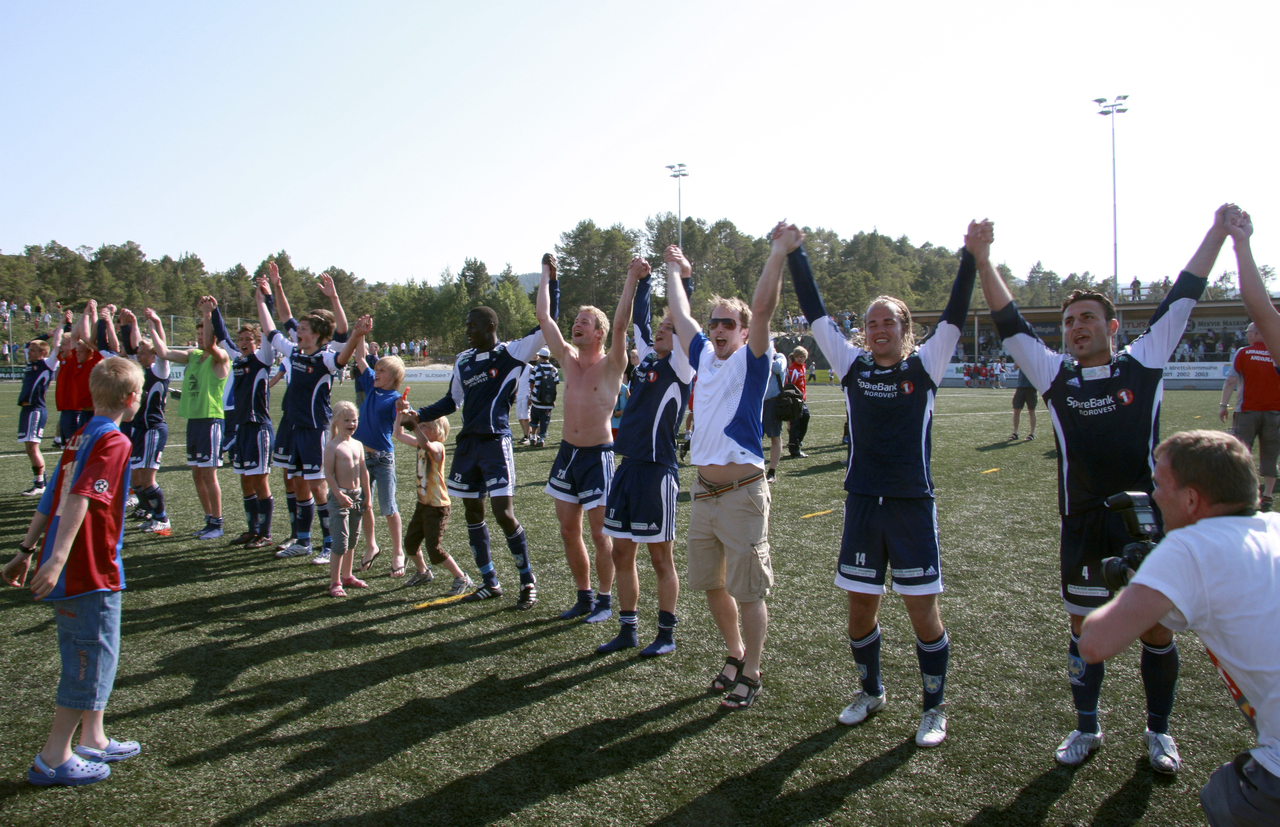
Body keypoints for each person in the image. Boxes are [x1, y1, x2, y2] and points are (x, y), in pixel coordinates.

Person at [979, 204, 1236, 771]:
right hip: (1082, 521)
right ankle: (1087, 728)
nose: (1077, 328)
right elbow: (1009, 322)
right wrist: (982, 259)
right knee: (1083, 627)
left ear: (1111, 327)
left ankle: (1159, 732)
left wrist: (1216, 233)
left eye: (1088, 318)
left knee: (1155, 631)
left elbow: (1184, 296)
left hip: (1144, 520)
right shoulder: (1054, 374)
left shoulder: (1143, 363)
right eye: (1070, 322)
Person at [789, 220, 979, 747]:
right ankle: (870, 691)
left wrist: (969, 255)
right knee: (858, 610)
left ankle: (934, 706)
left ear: (905, 330)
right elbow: (817, 313)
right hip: (862, 505)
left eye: (888, 322)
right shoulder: (852, 367)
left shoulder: (927, 366)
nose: (877, 329)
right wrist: (796, 253)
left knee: (922, 610)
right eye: (871, 322)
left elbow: (956, 313)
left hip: (911, 505)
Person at [1079, 430, 1280, 826]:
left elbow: (1093, 643)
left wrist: (1131, 580)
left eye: (1159, 484)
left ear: (1191, 499)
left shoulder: (1189, 547)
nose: (1153, 496)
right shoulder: (1273, 525)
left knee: (1225, 796)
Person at [666, 222, 786, 710]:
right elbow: (679, 312)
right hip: (704, 494)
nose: (717, 329)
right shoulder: (704, 357)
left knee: (748, 591)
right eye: (713, 323)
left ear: (744, 332)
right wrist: (675, 269)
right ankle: (735, 655)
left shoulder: (753, 359)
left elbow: (762, 308)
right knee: (712, 585)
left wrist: (776, 253)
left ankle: (752, 673)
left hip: (741, 492)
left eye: (726, 324)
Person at [7, 357, 143, 786]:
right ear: (132, 398)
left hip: (76, 567)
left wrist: (27, 549)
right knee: (90, 661)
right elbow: (80, 496)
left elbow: (51, 494)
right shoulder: (115, 441)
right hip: (90, 570)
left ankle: (94, 737)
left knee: (93, 654)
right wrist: (57, 558)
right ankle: (53, 758)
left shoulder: (81, 434)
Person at [407, 253, 559, 609]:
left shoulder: (513, 354)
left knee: (504, 512)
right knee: (472, 514)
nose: (467, 331)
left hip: (496, 443)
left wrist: (551, 278)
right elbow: (451, 402)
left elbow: (545, 321)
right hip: (468, 446)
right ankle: (490, 581)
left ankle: (527, 582)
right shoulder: (462, 361)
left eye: (471, 325)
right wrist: (417, 415)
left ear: (490, 327)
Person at [536, 256, 636, 623]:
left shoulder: (613, 363)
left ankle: (606, 599)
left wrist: (630, 277)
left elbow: (623, 323)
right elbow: (545, 318)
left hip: (598, 457)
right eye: (576, 320)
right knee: (567, 530)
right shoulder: (566, 357)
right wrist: (547, 276)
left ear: (599, 333)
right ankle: (583, 595)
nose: (577, 324)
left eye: (585, 322)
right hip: (567, 455)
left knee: (599, 534)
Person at [259, 278, 364, 559]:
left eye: (303, 330)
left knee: (319, 486)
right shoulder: (293, 351)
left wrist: (354, 331)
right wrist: (264, 298)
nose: (297, 332)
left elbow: (344, 343)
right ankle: (303, 541)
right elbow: (273, 326)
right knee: (298, 483)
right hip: (292, 427)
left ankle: (330, 544)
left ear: (318, 335)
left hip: (314, 428)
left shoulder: (326, 359)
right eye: (298, 330)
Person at [152, 298, 230, 539]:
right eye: (197, 334)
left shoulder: (221, 357)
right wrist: (154, 324)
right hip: (194, 420)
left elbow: (208, 344)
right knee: (197, 473)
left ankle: (217, 522)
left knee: (208, 473)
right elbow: (163, 352)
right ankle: (208, 520)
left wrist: (208, 314)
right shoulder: (193, 355)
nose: (199, 338)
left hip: (210, 420)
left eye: (203, 332)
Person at [346, 317, 407, 576]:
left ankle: (398, 552)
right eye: (377, 369)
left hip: (382, 459)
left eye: (381, 370)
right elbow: (360, 359)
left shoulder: (394, 398)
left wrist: (404, 412)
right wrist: (360, 333)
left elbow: (400, 426)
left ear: (393, 377)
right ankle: (372, 546)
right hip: (361, 458)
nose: (376, 372)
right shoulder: (371, 386)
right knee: (364, 506)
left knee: (389, 508)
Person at [393, 411, 473, 592]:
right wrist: (399, 415)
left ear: (437, 430)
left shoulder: (437, 447)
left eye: (423, 426)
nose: (418, 428)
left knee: (434, 548)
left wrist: (414, 426)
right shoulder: (422, 445)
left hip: (437, 507)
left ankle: (461, 577)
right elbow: (398, 434)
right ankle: (423, 572)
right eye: (419, 426)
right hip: (423, 504)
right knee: (410, 543)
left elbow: (428, 445)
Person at [1220, 323, 1280, 512]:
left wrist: (1223, 405)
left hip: (1247, 412)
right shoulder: (1277, 352)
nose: (1247, 336)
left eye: (1248, 333)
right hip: (1274, 413)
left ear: (1255, 334)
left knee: (1242, 454)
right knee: (1270, 455)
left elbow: (1231, 381)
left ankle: (1244, 495)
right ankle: (1268, 496)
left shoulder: (1244, 353)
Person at [128, 311, 172, 535]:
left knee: (146, 478)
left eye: (143, 353)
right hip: (139, 430)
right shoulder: (141, 373)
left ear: (153, 356)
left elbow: (161, 348)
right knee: (136, 478)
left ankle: (162, 519)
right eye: (138, 353)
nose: (139, 356)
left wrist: (156, 323)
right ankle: (150, 513)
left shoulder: (160, 370)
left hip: (153, 429)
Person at [322, 401, 372, 597]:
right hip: (339, 498)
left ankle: (347, 575)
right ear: (336, 421)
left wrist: (366, 495)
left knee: (352, 539)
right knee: (340, 542)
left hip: (356, 496)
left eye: (354, 420)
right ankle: (335, 581)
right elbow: (329, 474)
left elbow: (364, 472)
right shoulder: (332, 446)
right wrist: (338, 495)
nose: (352, 424)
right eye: (347, 420)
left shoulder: (358, 445)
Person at [17, 337, 58, 497]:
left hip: (35, 410)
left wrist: (64, 326)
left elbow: (55, 348)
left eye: (33, 350)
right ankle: (40, 482)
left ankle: (40, 484)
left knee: (33, 448)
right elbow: (28, 344)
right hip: (26, 410)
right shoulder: (30, 365)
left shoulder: (46, 364)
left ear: (42, 352)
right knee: (29, 448)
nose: (29, 352)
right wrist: (46, 334)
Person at [762, 346, 786, 483]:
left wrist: (766, 356)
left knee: (775, 436)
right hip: (759, 402)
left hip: (773, 402)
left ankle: (772, 471)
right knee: (753, 437)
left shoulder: (779, 357)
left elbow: (778, 368)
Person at [528, 347, 558, 448]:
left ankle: (533, 436)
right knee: (545, 420)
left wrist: (532, 395)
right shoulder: (554, 369)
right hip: (548, 400)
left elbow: (531, 383)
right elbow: (555, 385)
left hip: (537, 399)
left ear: (540, 357)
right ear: (549, 356)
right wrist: (553, 399)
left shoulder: (536, 368)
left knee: (534, 418)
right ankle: (541, 439)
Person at [785, 346, 810, 458]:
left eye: (802, 356)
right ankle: (794, 449)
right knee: (796, 424)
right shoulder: (793, 369)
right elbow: (789, 385)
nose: (800, 359)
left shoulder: (802, 367)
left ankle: (796, 444)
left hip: (801, 400)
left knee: (805, 418)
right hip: (795, 401)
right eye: (798, 356)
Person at [1010, 363, 1038, 441]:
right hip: (1021, 387)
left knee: (1031, 410)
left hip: (1032, 387)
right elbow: (1015, 366)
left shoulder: (1034, 357)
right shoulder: (1021, 356)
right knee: (1016, 410)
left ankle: (1032, 433)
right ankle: (1015, 432)